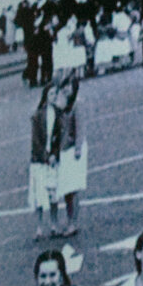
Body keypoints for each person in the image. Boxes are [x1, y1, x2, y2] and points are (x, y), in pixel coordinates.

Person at [52, 73, 88, 237]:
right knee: (66, 190)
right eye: (64, 86)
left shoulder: (77, 105)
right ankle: (69, 219)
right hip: (62, 150)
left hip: (73, 150)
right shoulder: (61, 104)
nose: (66, 89)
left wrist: (78, 148)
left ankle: (73, 222)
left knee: (73, 189)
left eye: (69, 86)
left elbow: (80, 128)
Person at [29, 85, 61, 240]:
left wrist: (54, 154)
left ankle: (54, 224)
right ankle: (39, 227)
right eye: (51, 93)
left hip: (52, 160)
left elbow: (59, 138)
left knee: (53, 194)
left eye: (56, 93)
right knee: (40, 195)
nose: (54, 96)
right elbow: (35, 141)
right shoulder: (37, 115)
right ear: (46, 95)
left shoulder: (58, 113)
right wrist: (45, 156)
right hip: (40, 161)